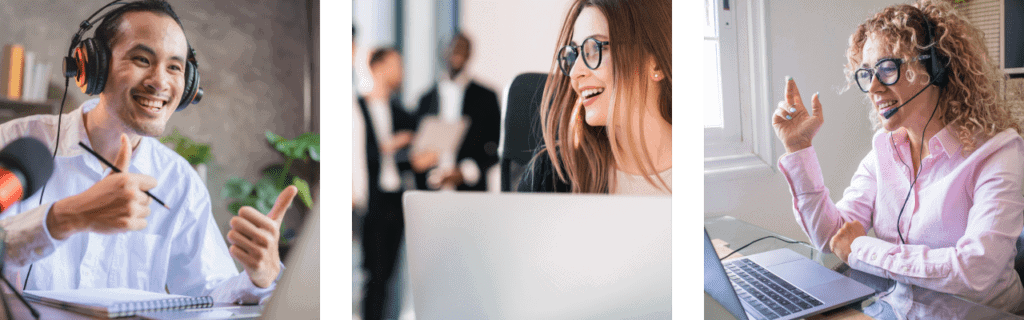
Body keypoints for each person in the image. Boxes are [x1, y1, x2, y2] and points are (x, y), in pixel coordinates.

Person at [0, 0, 297, 305]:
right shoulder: (15, 145)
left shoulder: (179, 181)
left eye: (174, 67)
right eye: (142, 59)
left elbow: (209, 293)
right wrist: (65, 218)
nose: (160, 82)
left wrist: (260, 278)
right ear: (94, 67)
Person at [772, 0, 1024, 312]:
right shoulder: (884, 149)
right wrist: (799, 149)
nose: (873, 87)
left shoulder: (998, 151)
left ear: (935, 67)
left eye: (887, 68)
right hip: (897, 308)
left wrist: (861, 249)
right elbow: (832, 239)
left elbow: (975, 271)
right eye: (867, 73)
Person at [518, 0, 672, 194]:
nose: (575, 72)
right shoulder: (552, 175)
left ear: (656, 64)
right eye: (574, 54)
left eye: (596, 49)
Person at [354, 47, 417, 320]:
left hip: (397, 198)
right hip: (372, 200)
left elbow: (407, 161)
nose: (401, 72)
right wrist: (386, 147)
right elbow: (356, 156)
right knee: (374, 276)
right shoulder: (356, 109)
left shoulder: (402, 112)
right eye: (396, 65)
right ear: (377, 67)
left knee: (393, 276)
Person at [412, 32, 501, 191]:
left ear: (470, 54)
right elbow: (415, 145)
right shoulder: (425, 100)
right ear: (441, 51)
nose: (456, 52)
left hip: (470, 190)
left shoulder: (486, 97)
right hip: (430, 190)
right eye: (451, 47)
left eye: (462, 48)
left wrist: (466, 171)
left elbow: (498, 144)